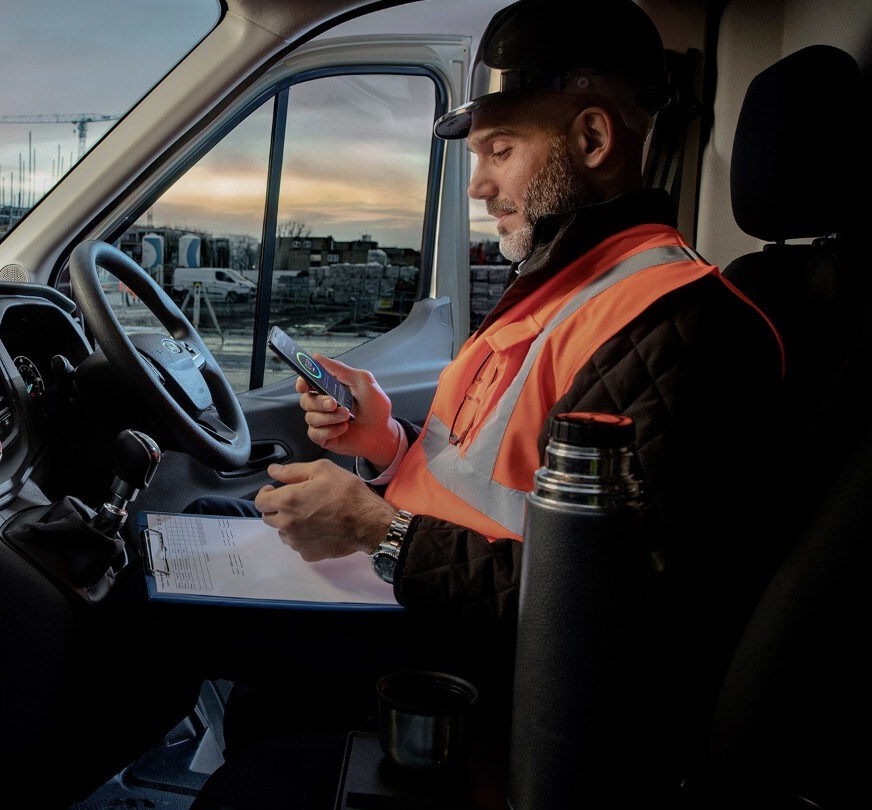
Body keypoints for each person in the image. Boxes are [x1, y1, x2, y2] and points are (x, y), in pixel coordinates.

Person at [167, 0, 786, 800]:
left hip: (490, 681)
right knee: (202, 583)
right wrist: (385, 440)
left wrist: (377, 529)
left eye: (501, 148)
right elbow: (494, 471)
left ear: (593, 140)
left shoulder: (679, 327)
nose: (480, 183)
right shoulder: (570, 284)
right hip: (441, 610)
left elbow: (623, 613)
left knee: (180, 627)